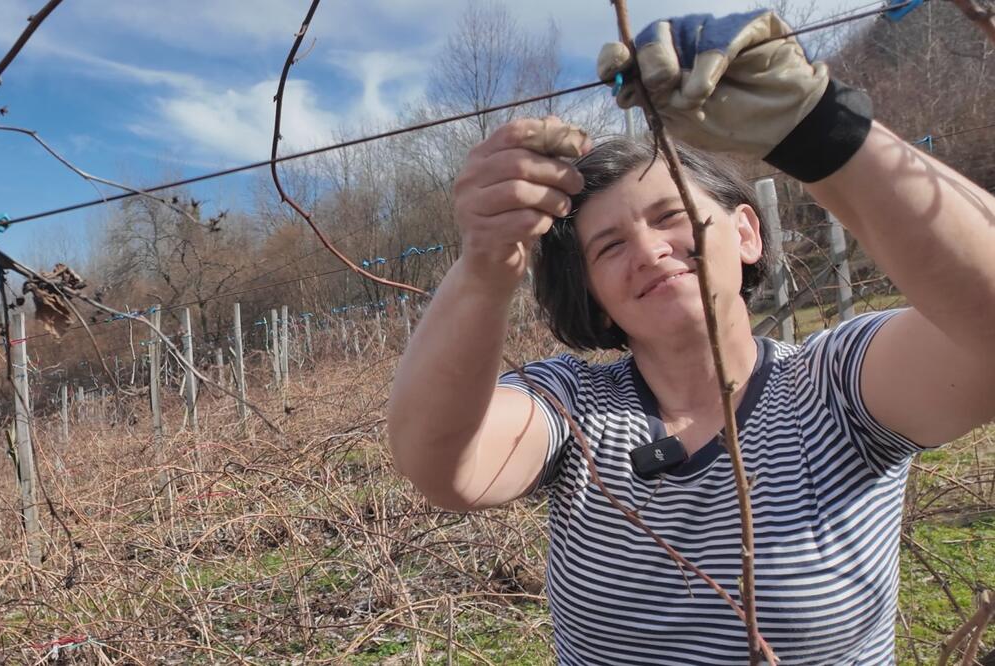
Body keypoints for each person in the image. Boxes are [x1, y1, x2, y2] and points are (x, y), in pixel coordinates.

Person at [387, 10, 995, 665]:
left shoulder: (837, 386)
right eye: (610, 245)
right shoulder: (571, 406)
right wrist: (483, 267)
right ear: (594, 294)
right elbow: (443, 466)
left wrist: (821, 128)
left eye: (669, 215)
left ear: (746, 231)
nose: (648, 250)